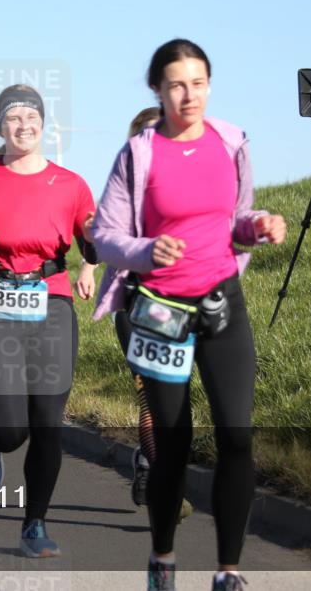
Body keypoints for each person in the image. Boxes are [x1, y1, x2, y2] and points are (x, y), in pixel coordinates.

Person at [91, 39, 287, 591]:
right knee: (173, 444)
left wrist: (257, 226)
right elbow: (105, 236)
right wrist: (146, 250)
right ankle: (163, 557)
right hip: (161, 312)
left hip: (222, 303)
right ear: (157, 89)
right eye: (177, 85)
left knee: (237, 436)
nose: (189, 95)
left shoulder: (230, 142)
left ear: (209, 85)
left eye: (198, 83)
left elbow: (236, 217)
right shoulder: (139, 153)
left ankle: (228, 572)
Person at [0, 84, 99, 557]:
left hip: (53, 303)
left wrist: (94, 247)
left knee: (48, 423)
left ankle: (35, 524)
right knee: (12, 430)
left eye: (32, 117)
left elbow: (91, 243)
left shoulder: (71, 184)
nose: (23, 125)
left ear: (43, 125)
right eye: (13, 118)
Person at [117, 107, 194, 524]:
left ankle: (148, 463)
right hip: (137, 306)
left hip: (182, 310)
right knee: (151, 397)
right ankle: (169, 487)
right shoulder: (121, 193)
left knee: (177, 402)